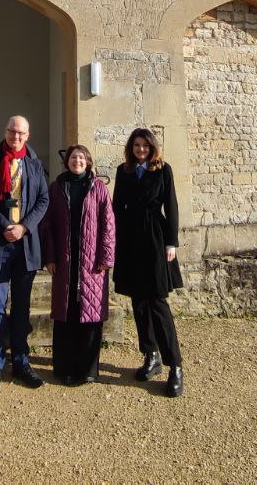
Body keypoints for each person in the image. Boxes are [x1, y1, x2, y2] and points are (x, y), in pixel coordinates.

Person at [0, 114, 49, 394]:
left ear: (27, 136)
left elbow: (43, 200)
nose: (15, 136)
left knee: (22, 307)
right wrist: (5, 225)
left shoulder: (34, 164)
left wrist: (24, 227)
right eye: (11, 131)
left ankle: (21, 361)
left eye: (20, 133)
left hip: (25, 245)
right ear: (5, 131)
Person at [112, 126, 184, 397]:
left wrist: (171, 242)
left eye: (145, 145)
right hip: (130, 239)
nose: (141, 149)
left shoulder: (163, 170)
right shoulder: (124, 171)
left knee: (157, 301)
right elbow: (117, 207)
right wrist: (114, 241)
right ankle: (150, 355)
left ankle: (175, 365)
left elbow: (172, 206)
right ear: (131, 148)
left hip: (155, 237)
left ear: (152, 147)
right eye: (136, 145)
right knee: (138, 302)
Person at [40, 144, 115, 385]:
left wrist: (106, 257)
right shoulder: (56, 187)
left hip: (92, 262)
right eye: (74, 157)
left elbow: (108, 224)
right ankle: (64, 368)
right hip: (65, 260)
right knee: (66, 313)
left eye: (81, 157)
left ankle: (88, 369)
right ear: (67, 161)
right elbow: (48, 225)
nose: (77, 161)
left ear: (88, 162)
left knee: (91, 314)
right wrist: (50, 257)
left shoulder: (98, 188)